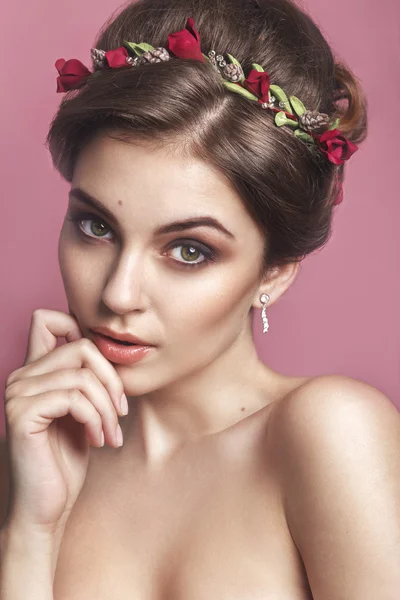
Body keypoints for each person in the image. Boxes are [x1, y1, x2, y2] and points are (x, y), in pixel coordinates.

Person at [1, 0, 400, 598]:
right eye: (96, 227)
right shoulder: (37, 456)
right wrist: (32, 529)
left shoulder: (328, 432)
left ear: (275, 273)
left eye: (189, 250)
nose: (118, 294)